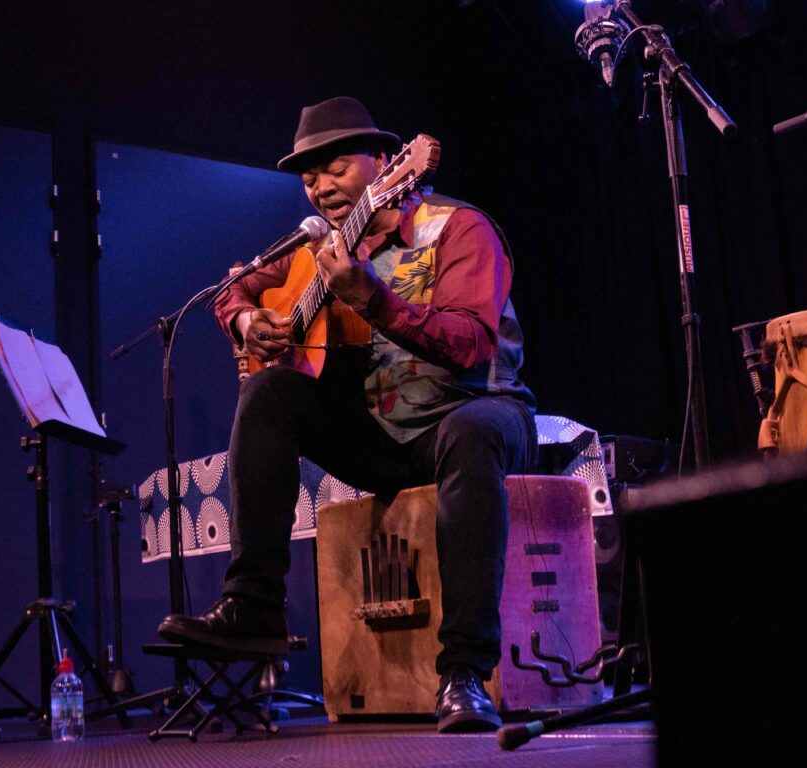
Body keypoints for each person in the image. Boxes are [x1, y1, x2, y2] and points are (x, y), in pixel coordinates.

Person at [158, 96, 537, 733]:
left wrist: (374, 299)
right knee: (269, 393)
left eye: (336, 168)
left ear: (386, 164)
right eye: (309, 179)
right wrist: (249, 320)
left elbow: (474, 346)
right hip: (385, 434)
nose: (322, 188)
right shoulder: (318, 249)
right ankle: (255, 606)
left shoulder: (458, 227)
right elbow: (233, 288)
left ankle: (465, 673)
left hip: (478, 411)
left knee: (471, 434)